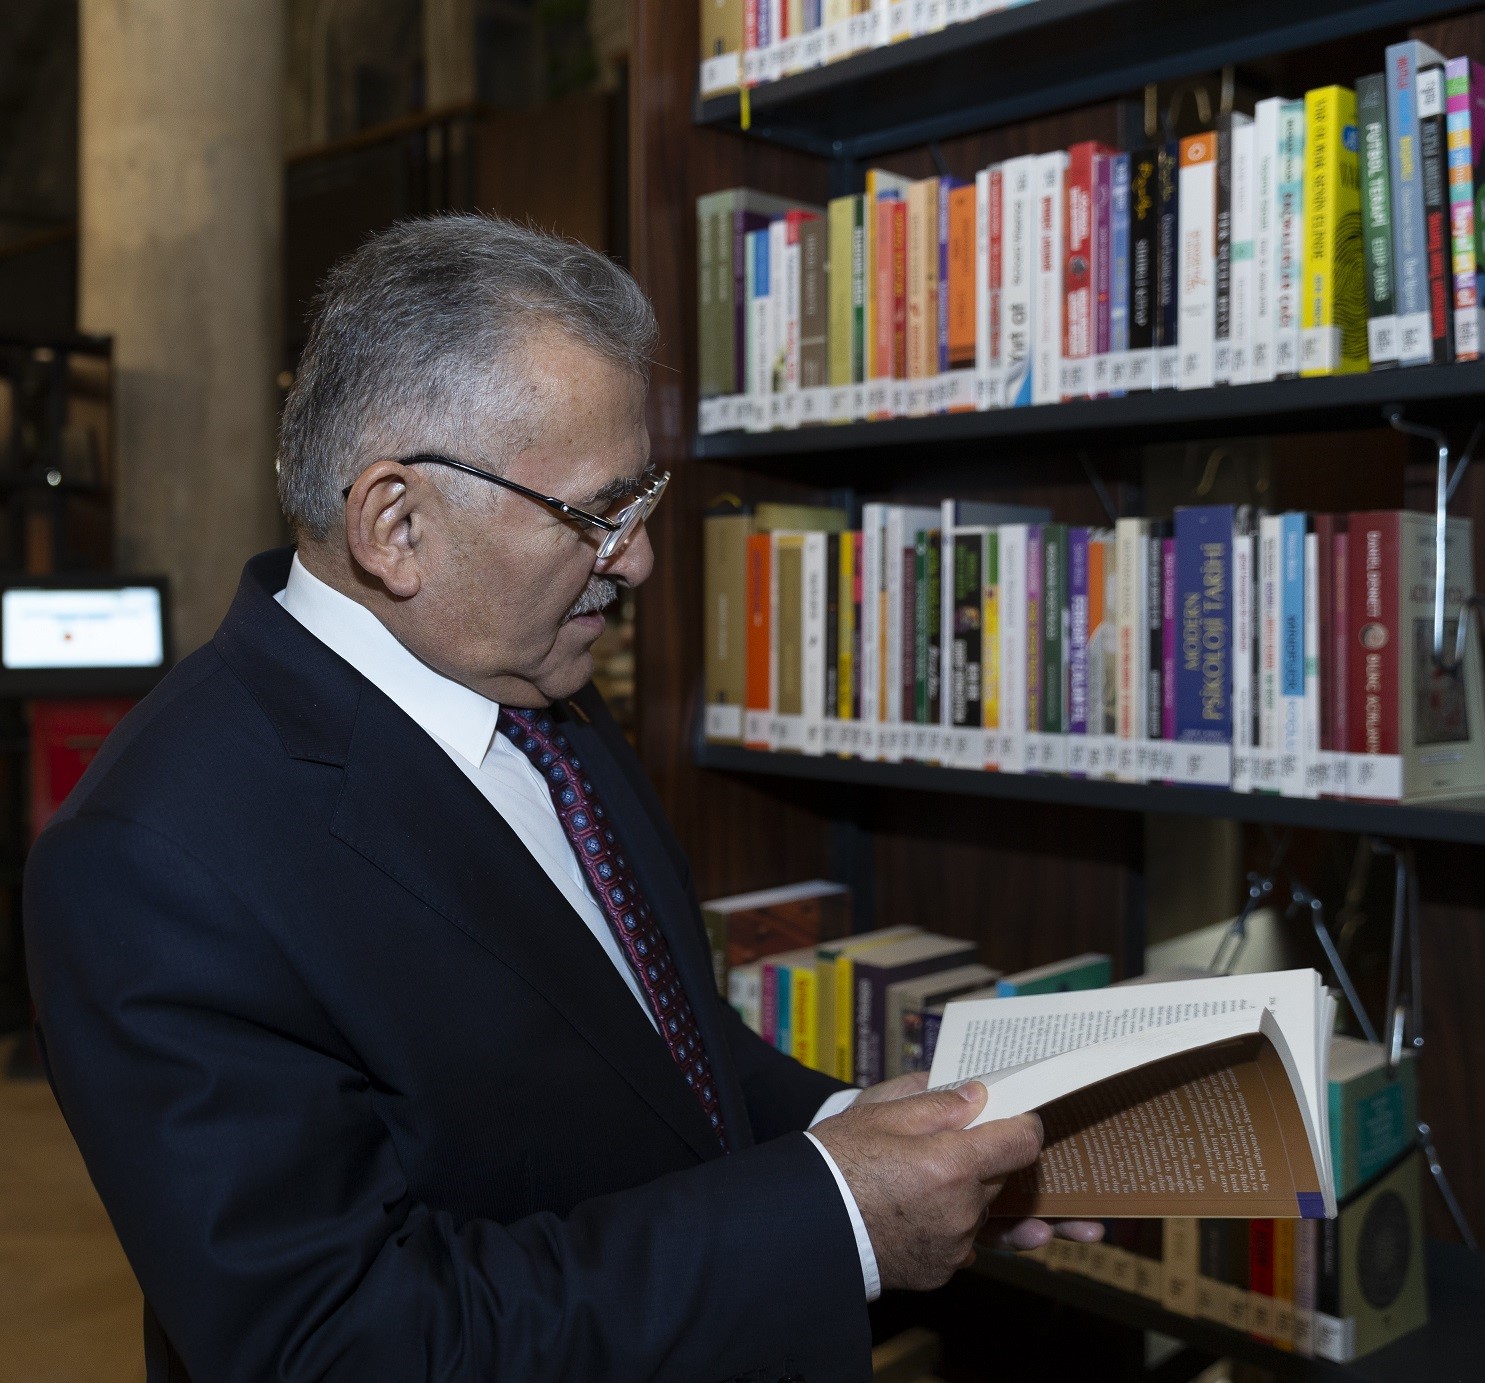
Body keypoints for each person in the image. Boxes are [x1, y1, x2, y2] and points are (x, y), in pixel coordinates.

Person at [25, 215, 1097, 1383]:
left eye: (643, 502)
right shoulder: (153, 858)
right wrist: (834, 1214)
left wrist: (872, 1136)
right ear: (398, 525)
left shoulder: (537, 684)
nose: (636, 559)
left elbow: (659, 1050)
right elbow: (341, 1344)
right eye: (597, 514)